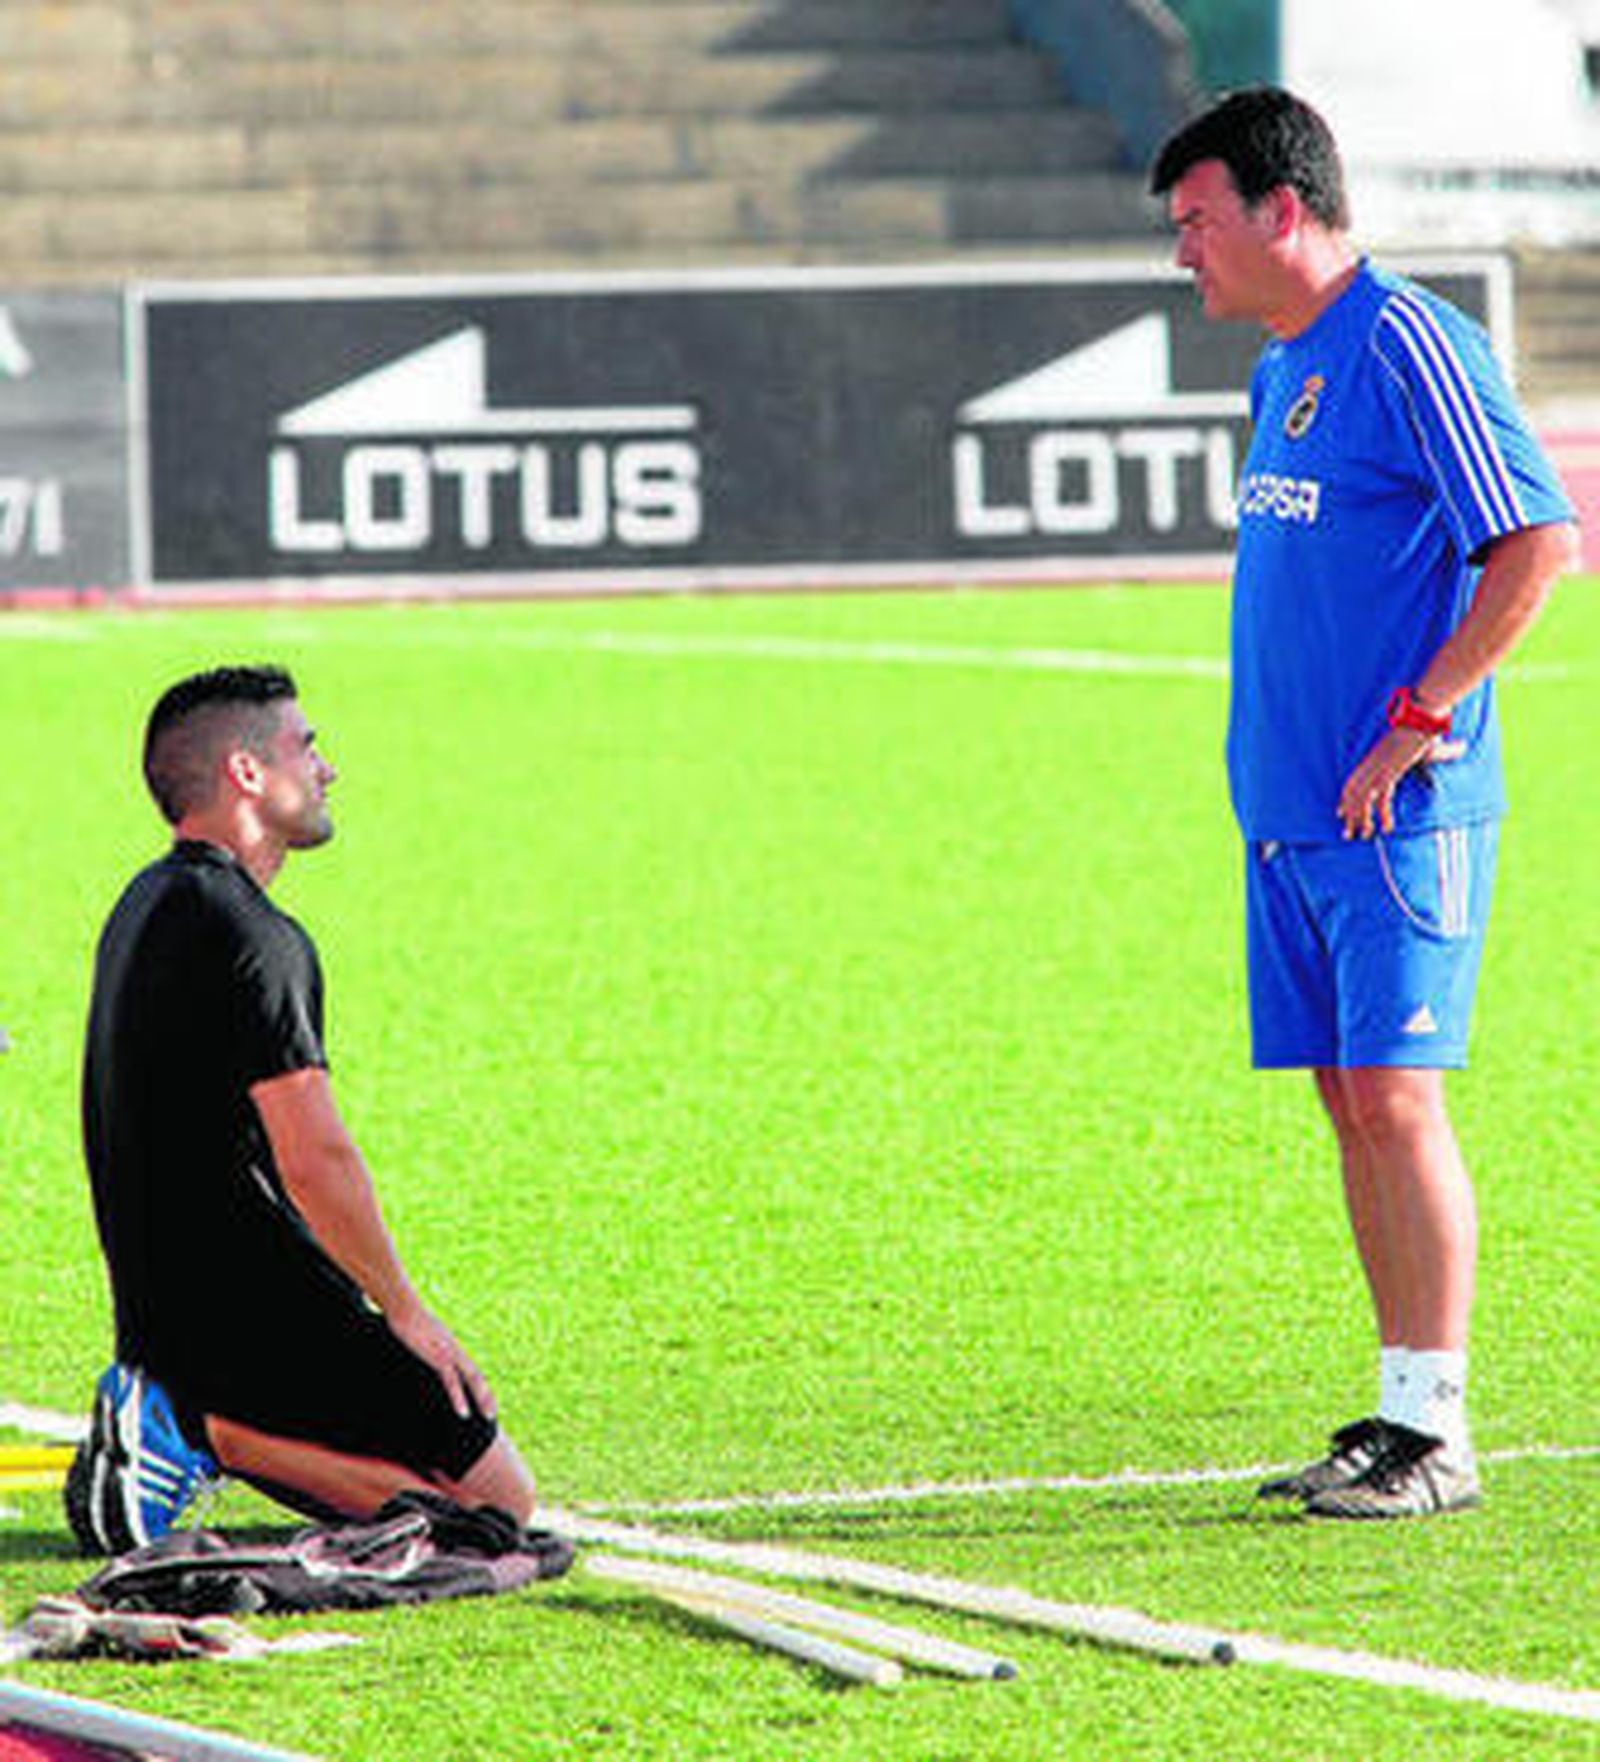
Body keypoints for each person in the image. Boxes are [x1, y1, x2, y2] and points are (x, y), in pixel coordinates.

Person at [1148, 90, 1577, 1518]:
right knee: (1350, 1102)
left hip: (1400, 813)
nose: (1183, 253)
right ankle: (1399, 1411)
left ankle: (1439, 1433)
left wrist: (1420, 716)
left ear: (1282, 209)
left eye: (1197, 221)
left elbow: (1536, 542)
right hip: (1291, 809)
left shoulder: (1407, 340)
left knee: (1396, 1098)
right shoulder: (1286, 363)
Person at [68, 664, 536, 1554]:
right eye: (306, 747)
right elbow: (315, 1158)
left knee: (465, 1511)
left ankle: (187, 1417)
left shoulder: (146, 900)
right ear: (247, 772)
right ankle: (197, 1428)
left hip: (161, 1308)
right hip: (253, 1310)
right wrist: (405, 1312)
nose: (326, 769)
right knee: (500, 1511)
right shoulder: (255, 936)